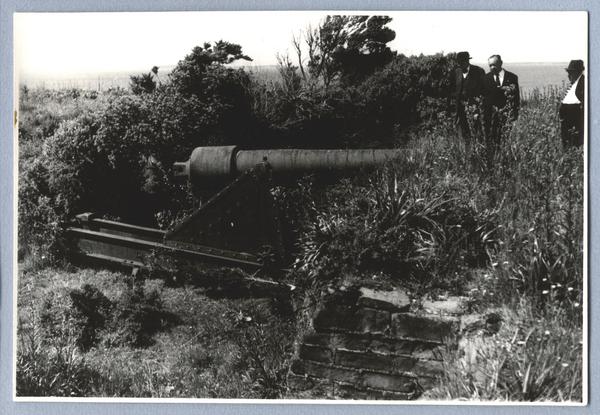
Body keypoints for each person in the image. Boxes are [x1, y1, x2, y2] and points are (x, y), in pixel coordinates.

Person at [448, 51, 485, 149]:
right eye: (458, 63)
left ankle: (478, 152)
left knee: (477, 133)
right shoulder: (455, 72)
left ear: (467, 61)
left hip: (474, 110)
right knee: (464, 134)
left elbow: (483, 91)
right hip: (460, 110)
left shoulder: (479, 71)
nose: (460, 65)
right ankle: (467, 153)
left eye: (462, 62)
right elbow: (452, 91)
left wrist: (478, 109)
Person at [482, 55, 520, 152]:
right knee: (492, 142)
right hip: (491, 117)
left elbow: (516, 98)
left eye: (494, 65)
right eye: (490, 65)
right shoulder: (485, 78)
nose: (492, 67)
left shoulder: (512, 77)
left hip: (507, 116)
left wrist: (515, 114)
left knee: (506, 140)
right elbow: (484, 98)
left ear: (501, 63)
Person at [559, 60, 585, 148]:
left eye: (571, 72)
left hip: (575, 129)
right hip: (569, 129)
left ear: (577, 73)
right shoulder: (575, 84)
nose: (568, 76)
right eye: (568, 72)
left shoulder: (582, 84)